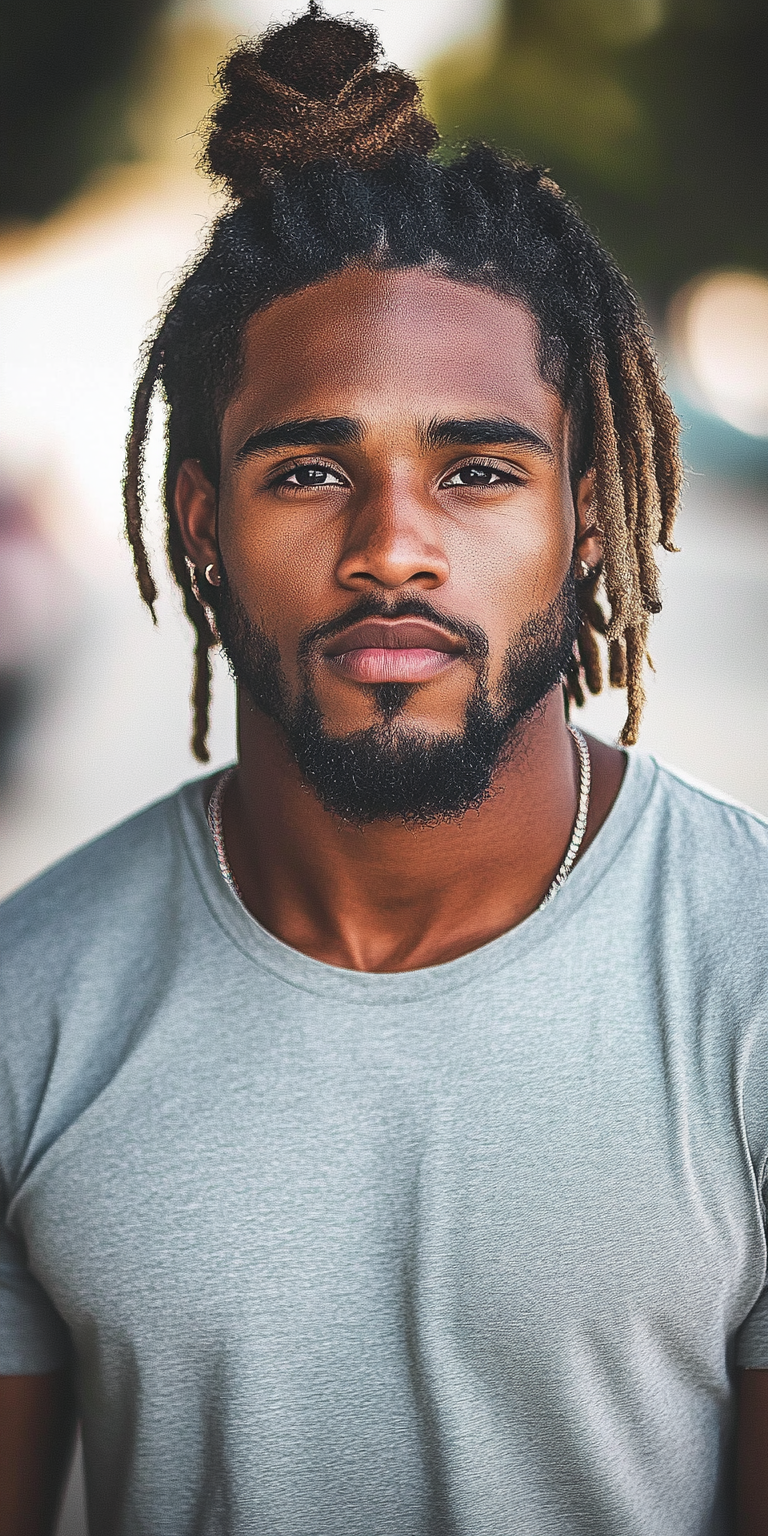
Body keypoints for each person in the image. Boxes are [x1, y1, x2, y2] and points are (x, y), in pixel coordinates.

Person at [1, 7, 766, 1533]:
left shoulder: (747, 973)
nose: (393, 545)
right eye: (309, 469)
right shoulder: (30, 1005)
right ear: (202, 522)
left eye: (478, 469)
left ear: (593, 515)